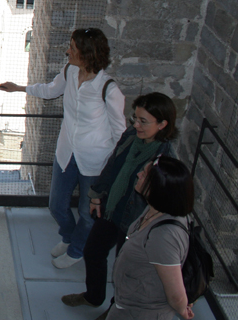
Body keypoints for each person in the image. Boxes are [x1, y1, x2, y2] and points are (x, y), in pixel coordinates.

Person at [0, 28, 126, 268]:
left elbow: (120, 132)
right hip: (66, 153)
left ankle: (76, 250)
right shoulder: (70, 71)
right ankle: (69, 238)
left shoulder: (109, 89)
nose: (68, 51)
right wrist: (19, 88)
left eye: (73, 48)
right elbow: (50, 90)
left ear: (87, 54)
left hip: (95, 161)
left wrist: (116, 168)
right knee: (56, 205)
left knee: (87, 213)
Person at [62, 92, 178, 310]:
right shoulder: (132, 135)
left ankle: (116, 311)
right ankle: (93, 297)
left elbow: (163, 201)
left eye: (143, 121)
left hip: (135, 221)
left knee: (124, 270)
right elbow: (113, 165)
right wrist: (96, 195)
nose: (136, 125)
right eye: (135, 118)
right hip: (111, 209)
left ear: (163, 124)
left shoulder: (166, 159)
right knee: (93, 252)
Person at [105, 156, 194, 320]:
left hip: (142, 314)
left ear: (158, 188)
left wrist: (182, 310)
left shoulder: (164, 237)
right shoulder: (154, 208)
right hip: (128, 307)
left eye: (144, 175)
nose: (138, 175)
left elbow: (176, 295)